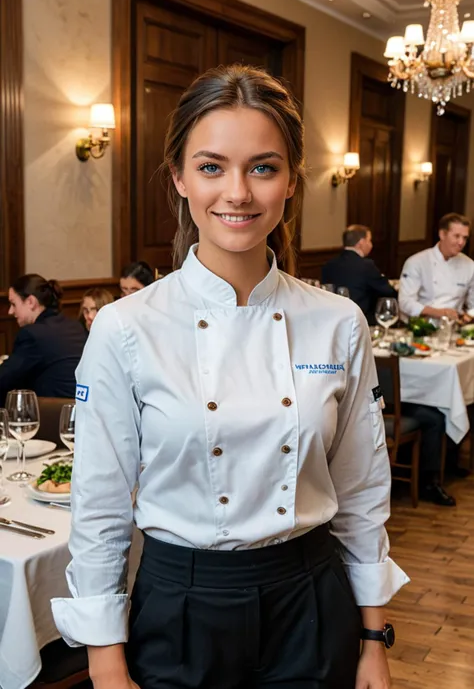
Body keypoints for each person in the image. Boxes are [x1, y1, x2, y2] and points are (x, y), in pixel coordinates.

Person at [52, 64, 408, 689]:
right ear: (181, 179)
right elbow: (100, 507)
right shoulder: (125, 327)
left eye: (263, 167)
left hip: (312, 598)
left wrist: (374, 636)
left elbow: (360, 490)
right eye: (212, 166)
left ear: (292, 181)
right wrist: (105, 661)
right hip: (180, 603)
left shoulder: (337, 321)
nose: (238, 192)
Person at [0, 274, 87, 405]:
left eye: (13, 304)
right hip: (84, 411)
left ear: (31, 302)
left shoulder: (33, 335)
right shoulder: (75, 326)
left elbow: (4, 379)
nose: (10, 311)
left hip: (52, 415)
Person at [399, 212, 474, 321]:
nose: (461, 242)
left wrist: (468, 316)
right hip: (421, 326)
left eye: (465, 238)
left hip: (455, 327)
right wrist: (439, 312)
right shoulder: (417, 262)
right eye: (456, 236)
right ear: (442, 234)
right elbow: (405, 302)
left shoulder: (470, 265)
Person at [322, 225, 397, 324]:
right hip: (361, 320)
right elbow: (388, 291)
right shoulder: (366, 266)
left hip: (333, 319)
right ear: (361, 243)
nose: (371, 245)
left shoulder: (329, 265)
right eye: (369, 240)